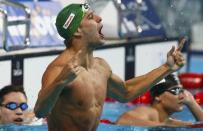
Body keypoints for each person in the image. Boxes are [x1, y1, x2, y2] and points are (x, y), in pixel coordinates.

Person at [34, 3, 186, 131]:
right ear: (78, 30)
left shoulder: (101, 66)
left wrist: (167, 67)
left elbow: (126, 93)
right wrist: (61, 81)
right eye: (91, 17)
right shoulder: (59, 69)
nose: (100, 18)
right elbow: (40, 111)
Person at [116, 74, 203, 127]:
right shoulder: (148, 111)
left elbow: (200, 126)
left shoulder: (168, 121)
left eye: (181, 90)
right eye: (175, 90)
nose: (182, 96)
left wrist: (192, 103)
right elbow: (122, 121)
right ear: (158, 96)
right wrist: (164, 127)